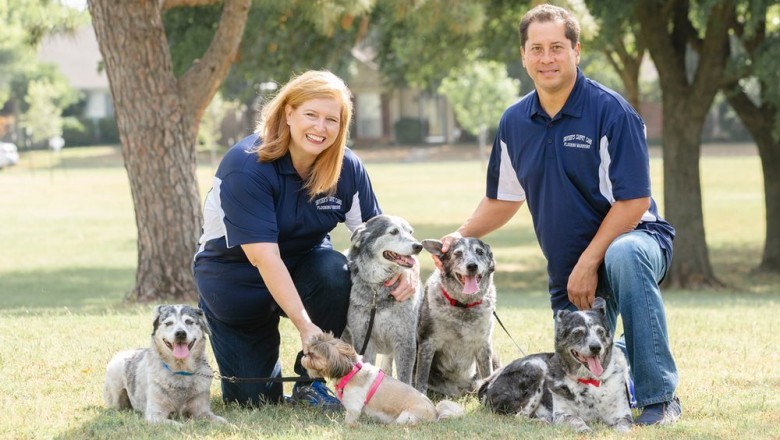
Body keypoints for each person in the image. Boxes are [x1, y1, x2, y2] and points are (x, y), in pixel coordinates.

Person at [436, 4, 681, 425]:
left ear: (576, 51)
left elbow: (634, 202)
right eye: (537, 48)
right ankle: (624, 364)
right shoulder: (515, 121)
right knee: (578, 359)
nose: (546, 58)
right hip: (568, 265)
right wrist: (459, 235)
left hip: (634, 242)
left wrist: (590, 262)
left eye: (556, 47)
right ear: (524, 56)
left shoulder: (611, 112)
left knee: (622, 255)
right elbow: (503, 199)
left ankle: (659, 398)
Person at [193, 70, 418, 410]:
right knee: (255, 403)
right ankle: (243, 349)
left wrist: (408, 271)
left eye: (332, 119)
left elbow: (379, 237)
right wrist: (305, 326)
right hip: (236, 280)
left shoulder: (347, 167)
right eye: (311, 115)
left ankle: (309, 382)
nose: (320, 127)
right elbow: (266, 259)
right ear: (288, 113)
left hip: (308, 268)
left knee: (335, 270)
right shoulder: (246, 166)